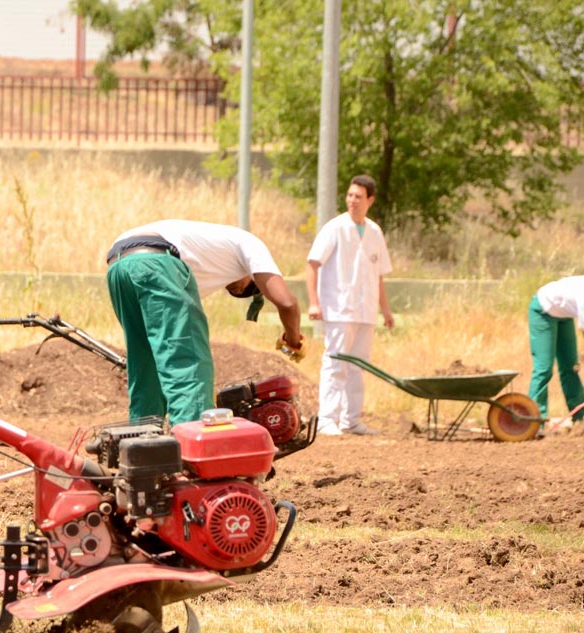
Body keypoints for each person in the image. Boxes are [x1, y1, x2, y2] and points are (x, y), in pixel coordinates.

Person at [105, 220, 305, 426]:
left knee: (145, 363)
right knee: (188, 362)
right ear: (253, 275)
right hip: (157, 259)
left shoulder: (206, 260)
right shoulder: (250, 243)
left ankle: (141, 443)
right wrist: (293, 341)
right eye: (249, 288)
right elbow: (287, 303)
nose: (238, 291)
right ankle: (193, 448)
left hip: (118, 265)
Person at [305, 175, 394, 437]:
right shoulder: (335, 228)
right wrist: (313, 302)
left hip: (366, 311)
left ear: (370, 200)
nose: (352, 201)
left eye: (358, 196)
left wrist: (385, 310)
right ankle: (327, 419)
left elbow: (379, 275)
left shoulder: (375, 231)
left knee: (359, 366)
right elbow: (312, 264)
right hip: (338, 308)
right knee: (335, 363)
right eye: (350, 195)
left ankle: (351, 420)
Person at [527, 268, 584, 424]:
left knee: (571, 366)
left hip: (564, 314)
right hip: (543, 309)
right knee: (544, 368)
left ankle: (580, 416)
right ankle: (533, 420)